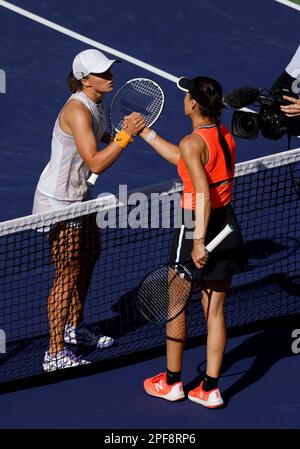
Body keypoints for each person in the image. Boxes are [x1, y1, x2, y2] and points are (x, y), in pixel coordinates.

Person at [32, 49, 145, 372]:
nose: (110, 77)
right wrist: (123, 138)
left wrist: (116, 135)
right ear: (84, 80)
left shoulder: (96, 102)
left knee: (89, 256)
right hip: (60, 202)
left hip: (82, 195)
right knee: (66, 271)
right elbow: (96, 161)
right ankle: (53, 352)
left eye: (110, 71)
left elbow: (97, 141)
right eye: (103, 73)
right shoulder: (77, 111)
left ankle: (72, 326)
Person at [140, 76, 246, 408]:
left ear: (193, 105)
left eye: (186, 96)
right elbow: (186, 161)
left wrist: (197, 240)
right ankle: (210, 389)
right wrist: (146, 133)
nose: (183, 99)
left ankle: (172, 382)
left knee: (175, 306)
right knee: (214, 311)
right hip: (226, 223)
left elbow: (201, 191)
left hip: (194, 226)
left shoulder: (192, 142)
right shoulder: (224, 134)